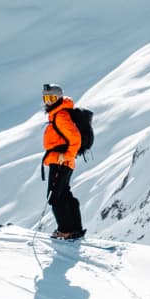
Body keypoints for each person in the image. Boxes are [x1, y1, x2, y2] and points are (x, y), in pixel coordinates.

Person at [40, 84, 86, 239]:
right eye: (46, 98)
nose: (48, 102)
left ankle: (65, 230)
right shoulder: (57, 114)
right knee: (64, 195)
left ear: (59, 98)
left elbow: (75, 138)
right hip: (62, 161)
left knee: (55, 197)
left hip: (61, 161)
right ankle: (74, 229)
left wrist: (67, 155)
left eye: (52, 98)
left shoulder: (60, 116)